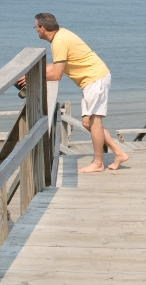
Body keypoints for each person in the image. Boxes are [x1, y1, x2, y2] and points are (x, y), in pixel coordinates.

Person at [17, 13, 129, 173]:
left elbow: (56, 75)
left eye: (35, 27)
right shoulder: (60, 36)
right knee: (87, 123)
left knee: (95, 122)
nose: (35, 30)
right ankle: (119, 153)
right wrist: (31, 75)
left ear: (42, 28)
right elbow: (58, 66)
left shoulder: (59, 41)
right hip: (90, 80)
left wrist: (34, 76)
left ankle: (98, 163)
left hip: (95, 79)